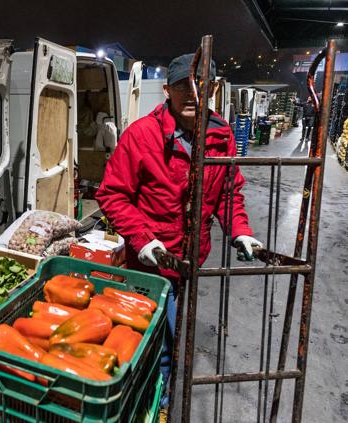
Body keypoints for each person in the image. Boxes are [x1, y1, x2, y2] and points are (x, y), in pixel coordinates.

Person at [95, 54, 262, 421]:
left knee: (171, 328)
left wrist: (241, 231)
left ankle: (162, 392)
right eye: (183, 86)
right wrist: (143, 238)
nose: (192, 93)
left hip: (191, 257)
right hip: (150, 259)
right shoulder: (142, 135)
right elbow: (112, 193)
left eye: (200, 84)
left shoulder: (221, 136)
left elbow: (228, 193)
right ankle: (155, 397)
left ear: (213, 89)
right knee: (156, 334)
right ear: (167, 91)